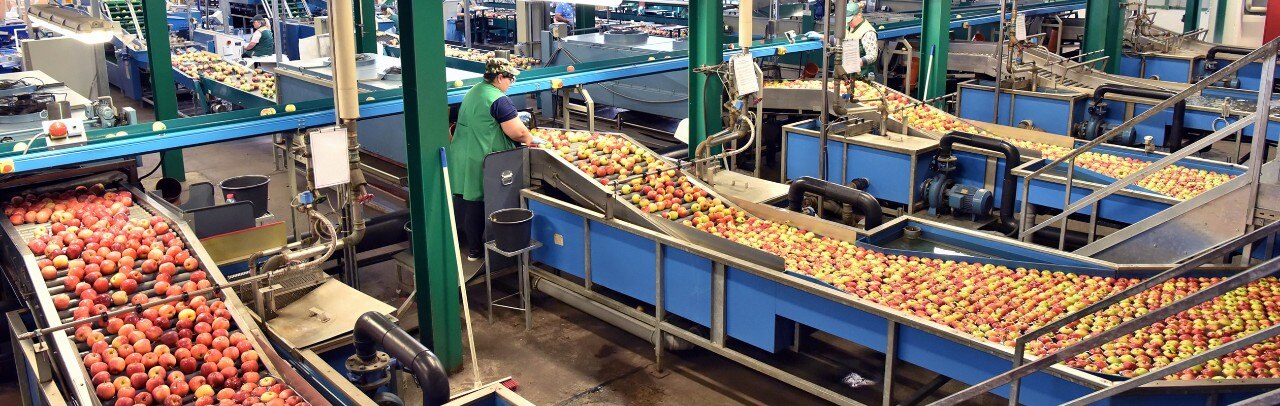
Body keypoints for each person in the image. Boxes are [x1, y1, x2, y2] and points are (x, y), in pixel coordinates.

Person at [447, 58, 538, 261]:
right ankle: (478, 251)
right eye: (510, 79)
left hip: (463, 154)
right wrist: (530, 139)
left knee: (465, 200)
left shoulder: (474, 91)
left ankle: (467, 248)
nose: (511, 83)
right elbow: (517, 132)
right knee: (478, 203)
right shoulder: (498, 99)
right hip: (483, 158)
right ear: (499, 77)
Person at [844, 1, 878, 78]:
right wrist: (823, 37)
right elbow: (842, 39)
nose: (849, 23)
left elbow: (872, 55)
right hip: (848, 73)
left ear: (859, 15)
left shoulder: (868, 32)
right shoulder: (848, 26)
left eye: (850, 20)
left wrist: (859, 61)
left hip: (862, 76)